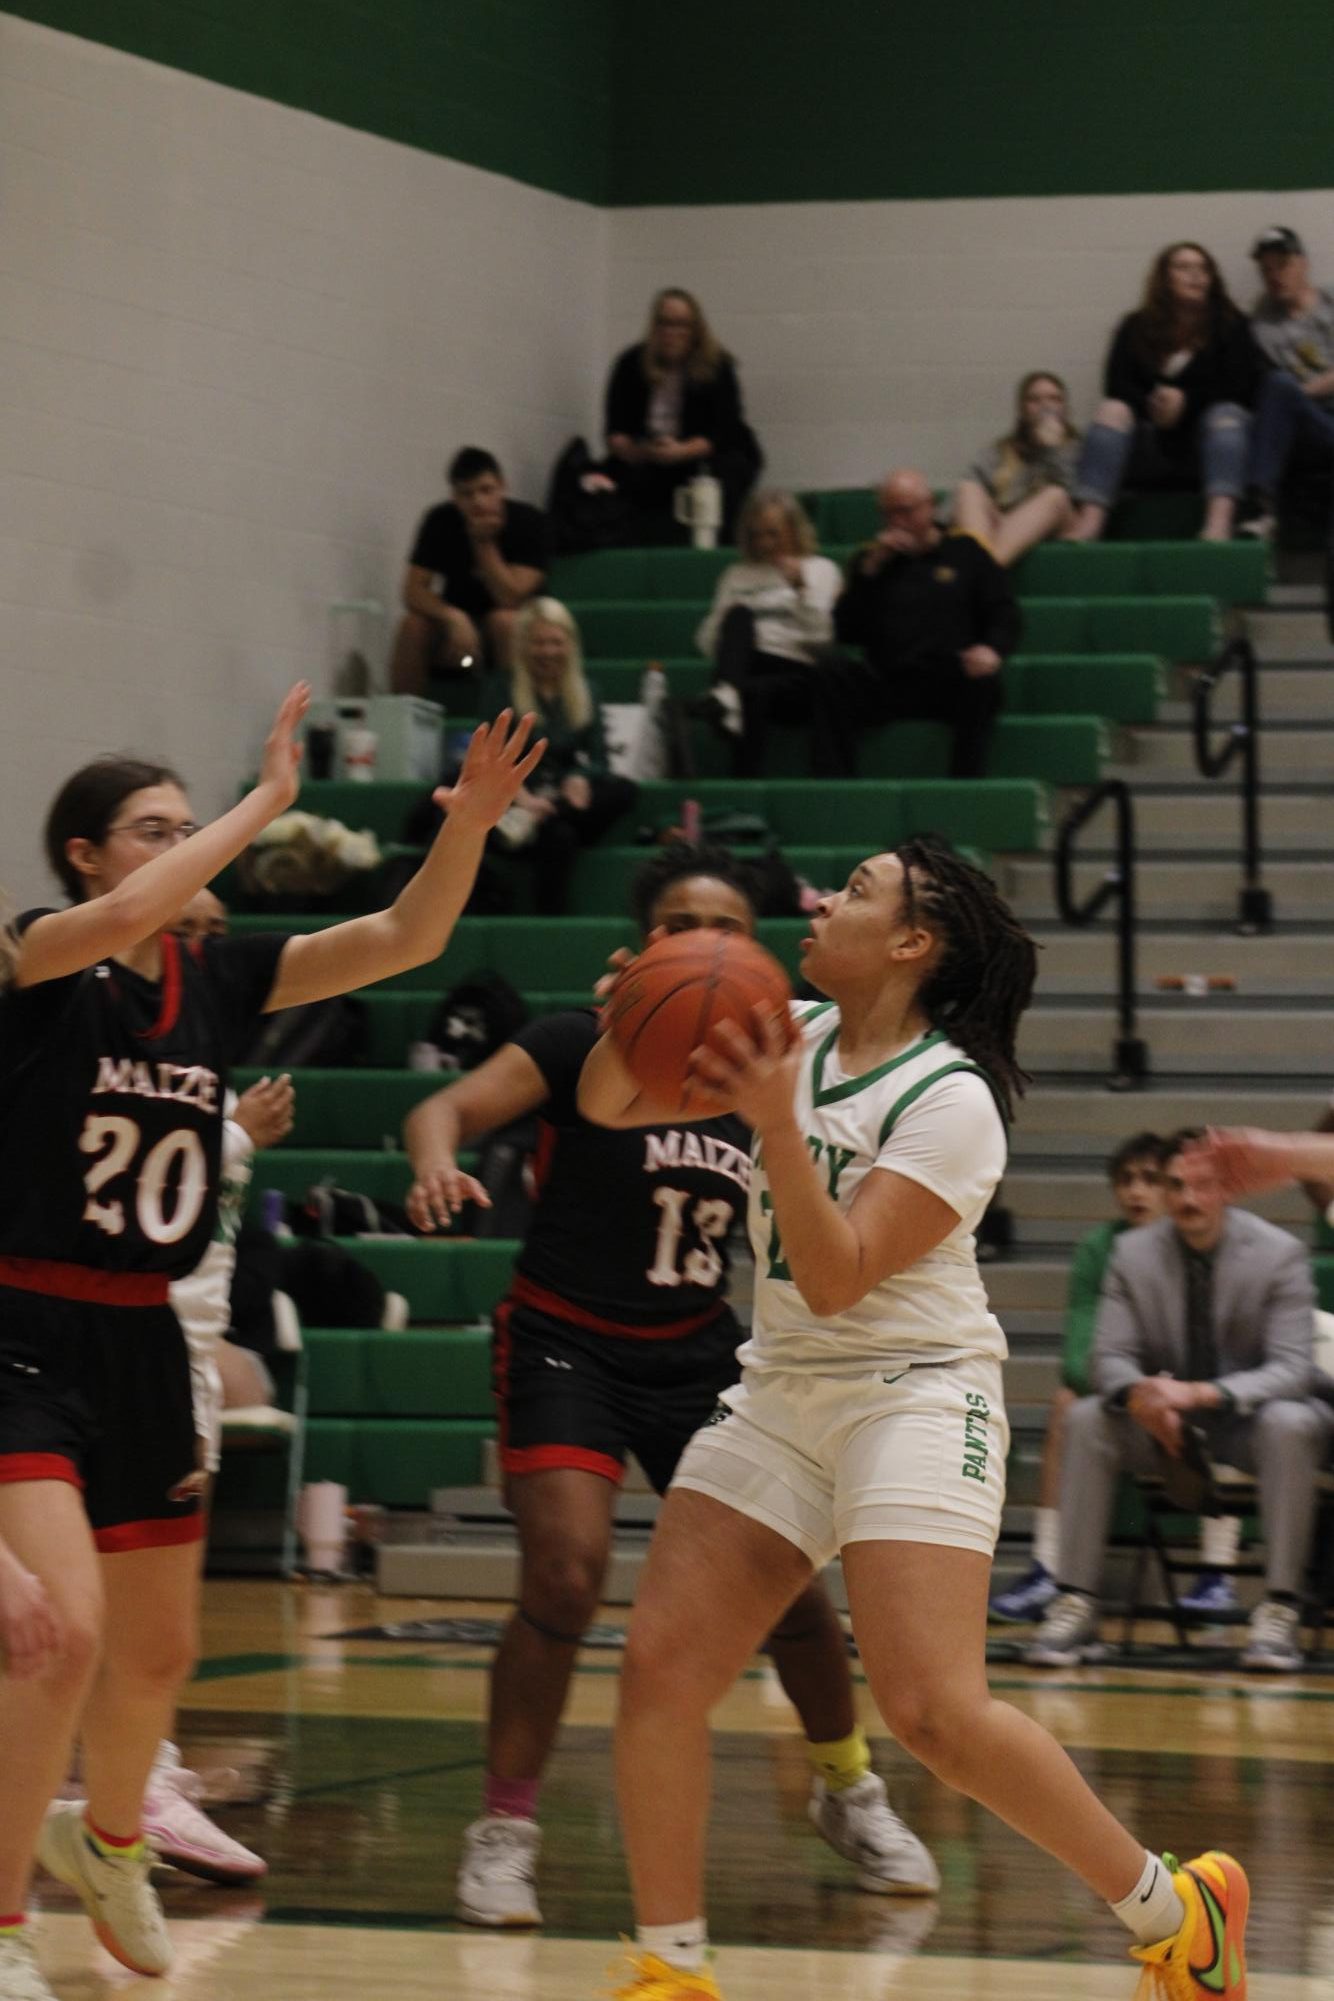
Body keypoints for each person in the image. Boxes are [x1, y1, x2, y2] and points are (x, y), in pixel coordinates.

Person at [576, 837, 1248, 2001]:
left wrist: (775, 1124)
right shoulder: (782, 1025)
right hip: (784, 1387)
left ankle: (1173, 1909)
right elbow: (601, 1100)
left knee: (932, 1711)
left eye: (855, 891)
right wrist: (632, 1016)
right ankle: (667, 1968)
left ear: (909, 943)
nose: (821, 900)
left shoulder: (952, 1099)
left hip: (918, 1392)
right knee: (657, 1669)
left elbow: (839, 1278)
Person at [0, 690, 542, 2001]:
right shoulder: (40, 955)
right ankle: (5, 1920)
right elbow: (130, 920)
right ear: (83, 853)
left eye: (189, 827)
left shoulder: (222, 980)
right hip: (22, 1325)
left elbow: (407, 933)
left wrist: (465, 823)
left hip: (144, 1338)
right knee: (58, 1635)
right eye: (153, 827)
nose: (184, 848)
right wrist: (261, 805)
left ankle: (111, 1838)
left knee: (161, 1654)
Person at [403, 842, 938, 1930]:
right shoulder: (576, 1043)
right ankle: (503, 1830)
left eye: (733, 926)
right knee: (562, 1575)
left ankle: (848, 1789)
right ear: (649, 946)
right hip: (565, 1339)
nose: (710, 941)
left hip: (698, 1348)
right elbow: (441, 1111)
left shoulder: (778, 1069)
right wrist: (432, 1161)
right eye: (685, 922)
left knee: (789, 1593)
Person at [1026, 1130, 1327, 1676]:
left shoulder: (1279, 1253)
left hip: (1247, 1418)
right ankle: (1075, 1601)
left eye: (1204, 1186)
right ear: (1165, 1192)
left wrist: (1199, 1394)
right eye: (1178, 1186)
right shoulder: (1130, 1253)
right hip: (1161, 1420)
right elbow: (1107, 1358)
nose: (1190, 1200)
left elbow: (1292, 1369)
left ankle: (1280, 1607)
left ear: (1228, 1190)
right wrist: (1142, 1399)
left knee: (1292, 1421)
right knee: (1089, 1415)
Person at [991, 1132, 1170, 1623]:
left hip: (1182, 1397)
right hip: (1124, 1396)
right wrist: (1130, 1387)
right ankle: (1048, 1567)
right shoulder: (1099, 1248)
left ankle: (1217, 1573)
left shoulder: (1192, 1245)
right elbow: (1078, 1357)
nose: (1137, 1191)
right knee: (1067, 1403)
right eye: (1127, 1180)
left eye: (1150, 1180)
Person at [833, 470, 1020, 779]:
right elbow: (845, 631)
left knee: (984, 684)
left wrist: (992, 649)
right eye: (888, 513)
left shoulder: (966, 553)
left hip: (947, 680)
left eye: (905, 511)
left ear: (930, 506)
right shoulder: (869, 561)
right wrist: (871, 570)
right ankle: (836, 787)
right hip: (887, 680)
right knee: (832, 674)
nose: (896, 521)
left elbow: (1004, 612)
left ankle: (964, 786)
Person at [1070, 242, 1260, 542]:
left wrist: (1188, 402)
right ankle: (1090, 519)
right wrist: (1153, 405)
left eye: (1203, 269)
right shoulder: (1136, 325)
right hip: (1149, 438)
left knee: (1228, 414)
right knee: (1112, 409)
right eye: (1184, 268)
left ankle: (1219, 523)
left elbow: (1242, 386)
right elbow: (1117, 384)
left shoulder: (1232, 326)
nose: (1195, 276)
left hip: (1208, 441)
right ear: (1164, 277)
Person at [473, 598, 638, 916]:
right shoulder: (501, 689)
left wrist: (580, 777)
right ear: (523, 647)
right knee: (561, 837)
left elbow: (600, 759)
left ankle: (547, 817)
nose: (548, 652)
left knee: (624, 790)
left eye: (555, 642)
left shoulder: (586, 689)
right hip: (513, 797)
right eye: (538, 643)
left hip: (560, 797)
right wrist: (521, 799)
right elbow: (487, 756)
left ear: (569, 645)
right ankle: (551, 911)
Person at [690, 491, 849, 776]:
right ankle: (728, 697)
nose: (764, 543)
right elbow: (706, 644)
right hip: (745, 665)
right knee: (739, 619)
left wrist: (801, 589)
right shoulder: (736, 575)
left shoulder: (820, 569)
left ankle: (728, 701)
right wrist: (723, 616)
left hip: (797, 671)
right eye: (757, 534)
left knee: (751, 692)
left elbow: (823, 639)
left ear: (793, 529)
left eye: (773, 534)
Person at [389, 447, 550, 700]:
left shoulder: (528, 522)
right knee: (413, 625)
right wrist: (452, 617)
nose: (478, 502)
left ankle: (513, 720)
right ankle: (403, 718)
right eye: (467, 494)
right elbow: (412, 591)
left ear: (502, 487)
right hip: (461, 627)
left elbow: (511, 598)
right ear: (455, 497)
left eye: (486, 490)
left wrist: (483, 543)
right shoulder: (440, 520)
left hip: (520, 627)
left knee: (504, 621)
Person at [604, 289, 762, 543]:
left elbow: (724, 430)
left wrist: (682, 451)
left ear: (695, 328)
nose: (671, 332)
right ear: (654, 326)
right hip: (649, 453)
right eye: (664, 323)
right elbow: (615, 432)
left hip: (705, 453)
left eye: (681, 325)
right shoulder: (630, 364)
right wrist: (643, 451)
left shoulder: (717, 365)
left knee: (721, 478)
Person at [1245, 227, 1334, 541]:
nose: (1274, 276)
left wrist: (1305, 391)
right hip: (1301, 428)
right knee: (1277, 383)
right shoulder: (1261, 322)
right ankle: (1263, 509)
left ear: (1303, 264)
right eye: (1266, 269)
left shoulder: (1329, 303)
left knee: (1282, 385)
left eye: (1282, 265)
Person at [954, 371, 1081, 566]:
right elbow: (973, 486)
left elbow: (1074, 496)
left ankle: (982, 573)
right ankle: (982, 570)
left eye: (1054, 399)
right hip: (1003, 524)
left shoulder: (1077, 448)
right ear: (1022, 409)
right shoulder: (1001, 449)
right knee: (968, 488)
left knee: (1055, 495)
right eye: (1034, 400)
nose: (1045, 407)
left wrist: (1051, 449)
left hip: (1057, 524)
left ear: (1064, 407)